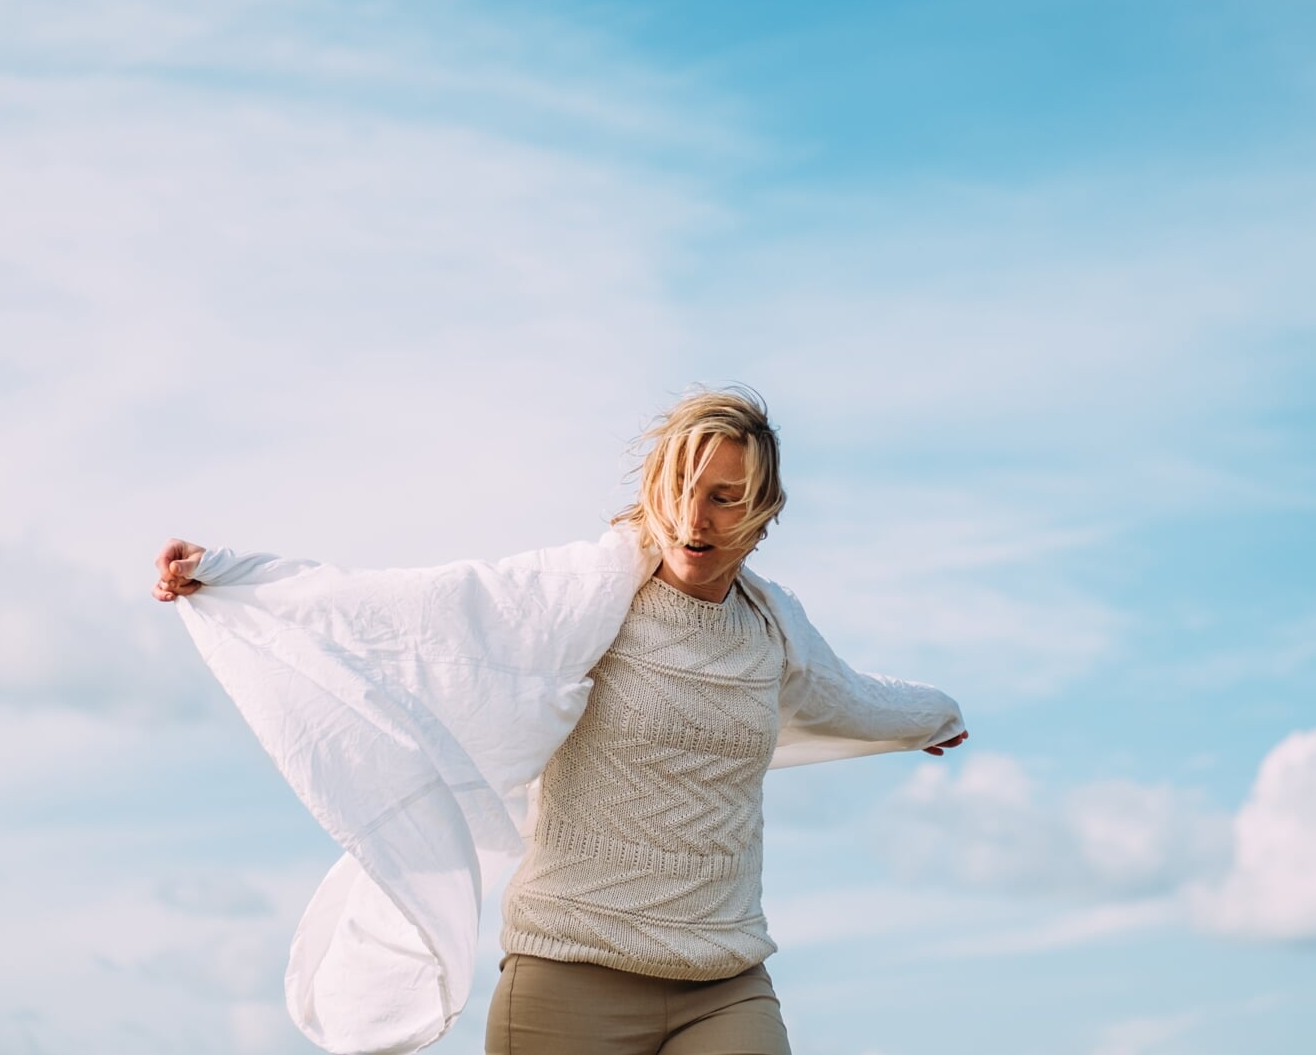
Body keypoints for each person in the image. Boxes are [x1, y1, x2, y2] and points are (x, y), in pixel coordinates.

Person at [153, 387, 966, 1055]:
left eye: (724, 500)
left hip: (725, 980)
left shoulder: (773, 625)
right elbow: (417, 611)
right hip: (571, 977)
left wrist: (934, 716)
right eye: (681, 492)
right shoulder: (594, 592)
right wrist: (231, 576)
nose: (695, 522)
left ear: (763, 511)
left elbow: (849, 697)